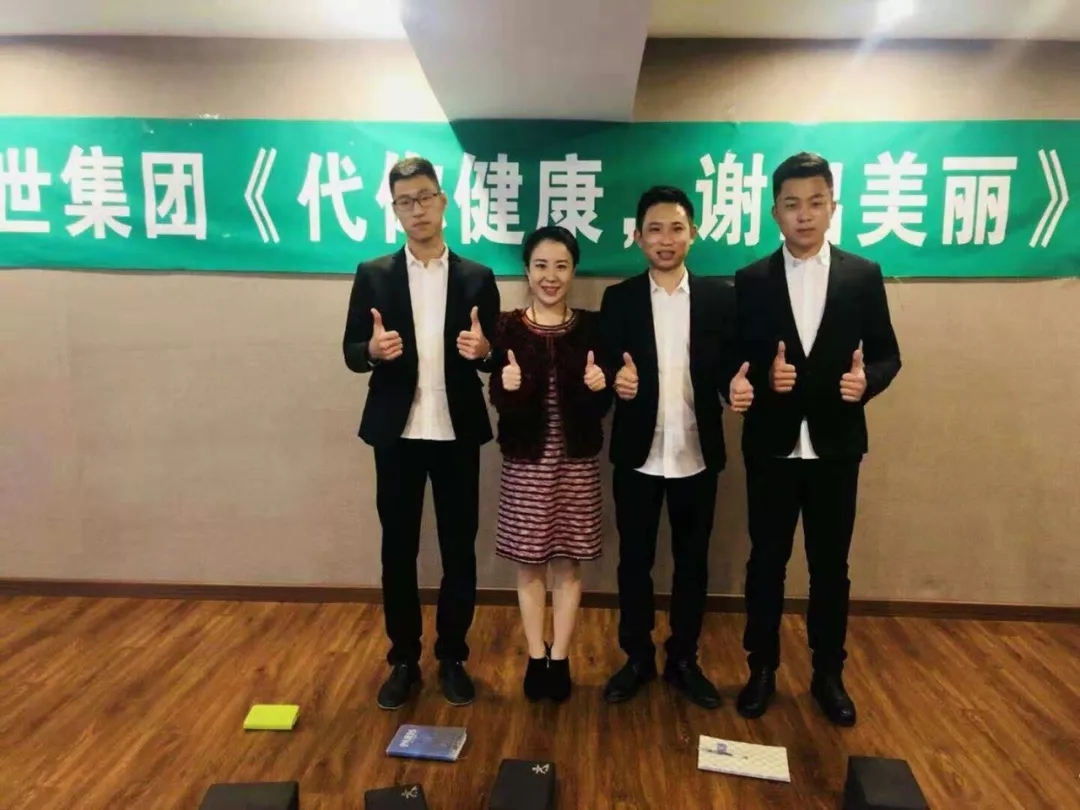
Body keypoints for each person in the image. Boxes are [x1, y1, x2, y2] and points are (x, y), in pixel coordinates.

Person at [733, 152, 901, 726]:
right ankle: (761, 669)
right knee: (766, 563)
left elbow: (888, 354)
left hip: (836, 445)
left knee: (831, 567)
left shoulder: (862, 275)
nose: (803, 214)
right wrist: (760, 376)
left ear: (833, 207)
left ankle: (828, 673)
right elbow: (736, 360)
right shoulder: (751, 279)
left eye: (815, 202)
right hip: (771, 445)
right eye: (791, 204)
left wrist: (867, 381)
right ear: (774, 212)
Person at [341, 156, 500, 710]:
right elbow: (350, 351)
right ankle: (404, 660)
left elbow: (494, 355)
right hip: (397, 432)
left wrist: (485, 350)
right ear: (395, 210)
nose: (417, 209)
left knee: (459, 550)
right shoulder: (374, 274)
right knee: (398, 549)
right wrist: (370, 350)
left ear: (443, 201)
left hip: (456, 431)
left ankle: (453, 656)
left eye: (425, 197)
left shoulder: (477, 276)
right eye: (405, 201)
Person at [598, 185, 753, 709]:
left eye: (676, 228)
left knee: (692, 563)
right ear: (638, 237)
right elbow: (603, 370)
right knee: (634, 562)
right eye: (655, 229)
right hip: (637, 454)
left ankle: (684, 659)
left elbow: (731, 370)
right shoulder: (619, 299)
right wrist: (614, 382)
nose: (665, 239)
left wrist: (736, 389)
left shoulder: (720, 298)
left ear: (694, 233)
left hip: (696, 453)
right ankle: (637, 657)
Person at [488, 225, 612, 704]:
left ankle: (560, 658)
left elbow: (600, 406)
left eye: (561, 266)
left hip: (576, 463)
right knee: (529, 564)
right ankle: (535, 655)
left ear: (574, 271)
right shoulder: (507, 327)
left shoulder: (591, 327)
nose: (551, 276)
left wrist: (600, 387)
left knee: (569, 562)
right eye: (541, 265)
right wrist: (508, 387)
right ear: (527, 270)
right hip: (526, 463)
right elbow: (501, 401)